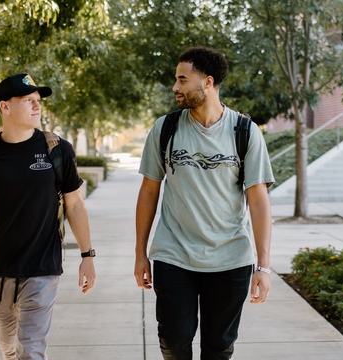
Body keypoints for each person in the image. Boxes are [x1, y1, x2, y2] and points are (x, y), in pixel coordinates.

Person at [134, 46, 275, 360]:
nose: (175, 87)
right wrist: (140, 253)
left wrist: (263, 266)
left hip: (230, 258)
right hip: (174, 255)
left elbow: (259, 201)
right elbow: (148, 193)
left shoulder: (245, 132)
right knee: (173, 341)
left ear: (208, 82)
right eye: (176, 80)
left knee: (218, 348)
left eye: (183, 80)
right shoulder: (165, 129)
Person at [0, 73, 96, 360]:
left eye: (38, 101)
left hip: (42, 265)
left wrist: (87, 256)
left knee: (31, 349)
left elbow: (75, 205)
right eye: (28, 101)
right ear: (4, 107)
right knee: (9, 346)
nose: (37, 107)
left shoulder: (57, 150)